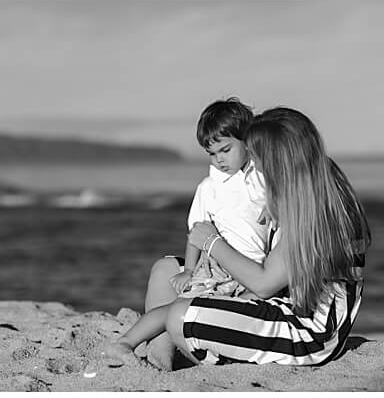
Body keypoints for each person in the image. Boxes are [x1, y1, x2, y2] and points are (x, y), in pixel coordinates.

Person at [105, 108, 369, 370]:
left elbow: (265, 284)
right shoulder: (295, 185)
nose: (254, 166)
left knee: (181, 315)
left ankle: (192, 348)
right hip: (276, 297)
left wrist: (212, 242)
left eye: (258, 157)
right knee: (165, 271)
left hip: (305, 330)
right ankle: (160, 364)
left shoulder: (315, 203)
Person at [116, 97, 270, 370]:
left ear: (248, 141)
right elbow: (196, 231)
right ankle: (127, 343)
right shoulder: (209, 187)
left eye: (226, 149)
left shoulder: (263, 178)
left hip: (255, 270)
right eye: (212, 153)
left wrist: (274, 205)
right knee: (175, 310)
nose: (220, 159)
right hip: (219, 268)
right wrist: (189, 270)